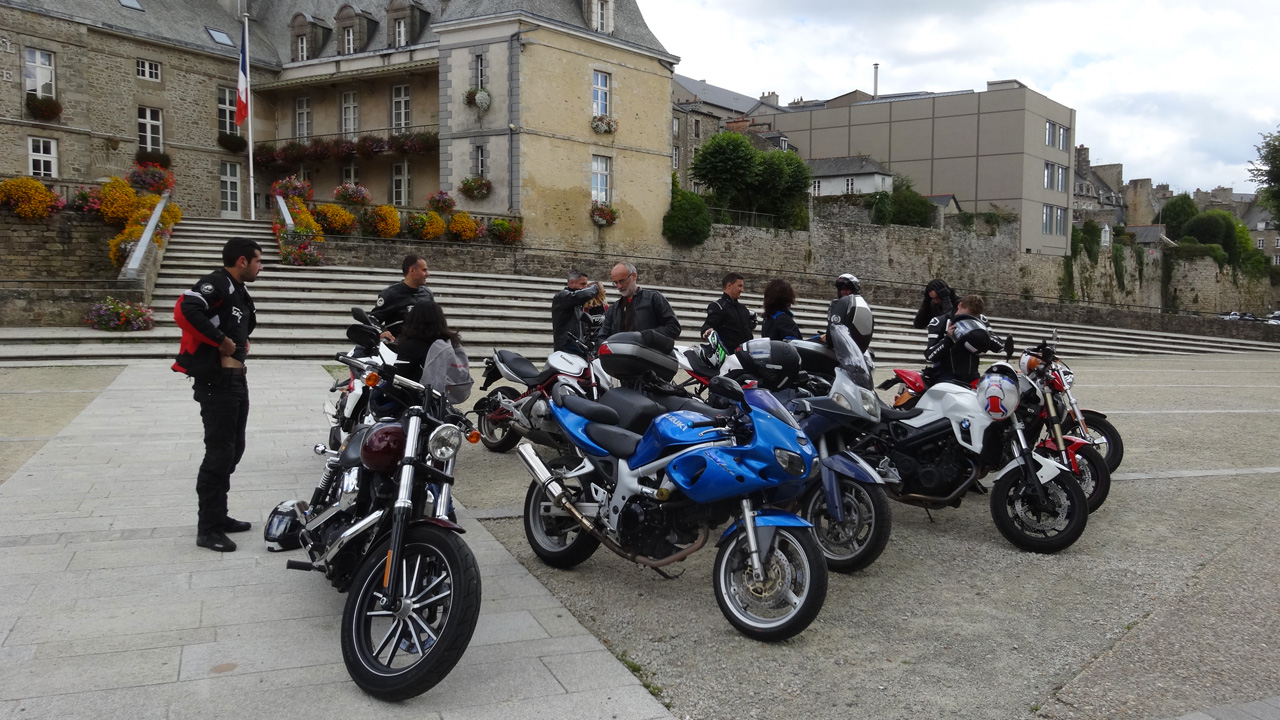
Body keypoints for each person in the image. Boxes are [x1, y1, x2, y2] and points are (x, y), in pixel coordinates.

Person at [175, 238, 262, 552]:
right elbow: (186, 308)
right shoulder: (216, 283)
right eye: (257, 261)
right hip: (216, 383)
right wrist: (221, 340)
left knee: (234, 449)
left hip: (236, 380)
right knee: (219, 453)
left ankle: (219, 514)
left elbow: (239, 322)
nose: (260, 267)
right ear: (242, 261)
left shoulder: (237, 289)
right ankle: (208, 528)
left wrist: (239, 341)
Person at [922, 294, 1006, 387]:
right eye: (966, 316)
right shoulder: (939, 322)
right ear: (960, 305)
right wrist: (948, 339)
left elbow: (999, 347)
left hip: (972, 377)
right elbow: (929, 356)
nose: (967, 321)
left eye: (972, 318)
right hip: (946, 377)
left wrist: (983, 334)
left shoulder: (982, 321)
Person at [598, 261, 681, 340]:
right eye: (615, 283)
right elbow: (602, 337)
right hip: (621, 353)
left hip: (650, 352)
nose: (619, 286)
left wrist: (645, 337)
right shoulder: (613, 309)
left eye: (622, 281)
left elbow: (674, 327)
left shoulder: (653, 298)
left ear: (634, 276)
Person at [393, 299, 462, 382]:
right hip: (447, 390)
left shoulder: (411, 345)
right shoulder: (450, 341)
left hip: (417, 392)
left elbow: (400, 376)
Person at [371, 254, 434, 341]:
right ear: (412, 270)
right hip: (398, 349)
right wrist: (382, 332)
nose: (428, 274)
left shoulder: (428, 294)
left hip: (425, 348)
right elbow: (372, 320)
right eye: (424, 270)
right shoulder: (391, 294)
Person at [551, 268, 604, 356]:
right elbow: (582, 295)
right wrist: (596, 287)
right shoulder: (563, 296)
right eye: (582, 284)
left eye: (586, 284)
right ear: (572, 283)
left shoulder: (576, 301)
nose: (585, 287)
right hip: (567, 345)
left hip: (577, 343)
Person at [700, 271, 757, 352]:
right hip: (728, 357)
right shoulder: (718, 306)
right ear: (729, 286)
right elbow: (708, 324)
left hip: (745, 356)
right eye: (740, 286)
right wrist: (707, 331)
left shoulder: (743, 308)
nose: (742, 290)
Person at [825, 273, 874, 353]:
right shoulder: (836, 304)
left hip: (849, 347)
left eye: (847, 289)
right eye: (842, 289)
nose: (844, 292)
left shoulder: (858, 306)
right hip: (839, 344)